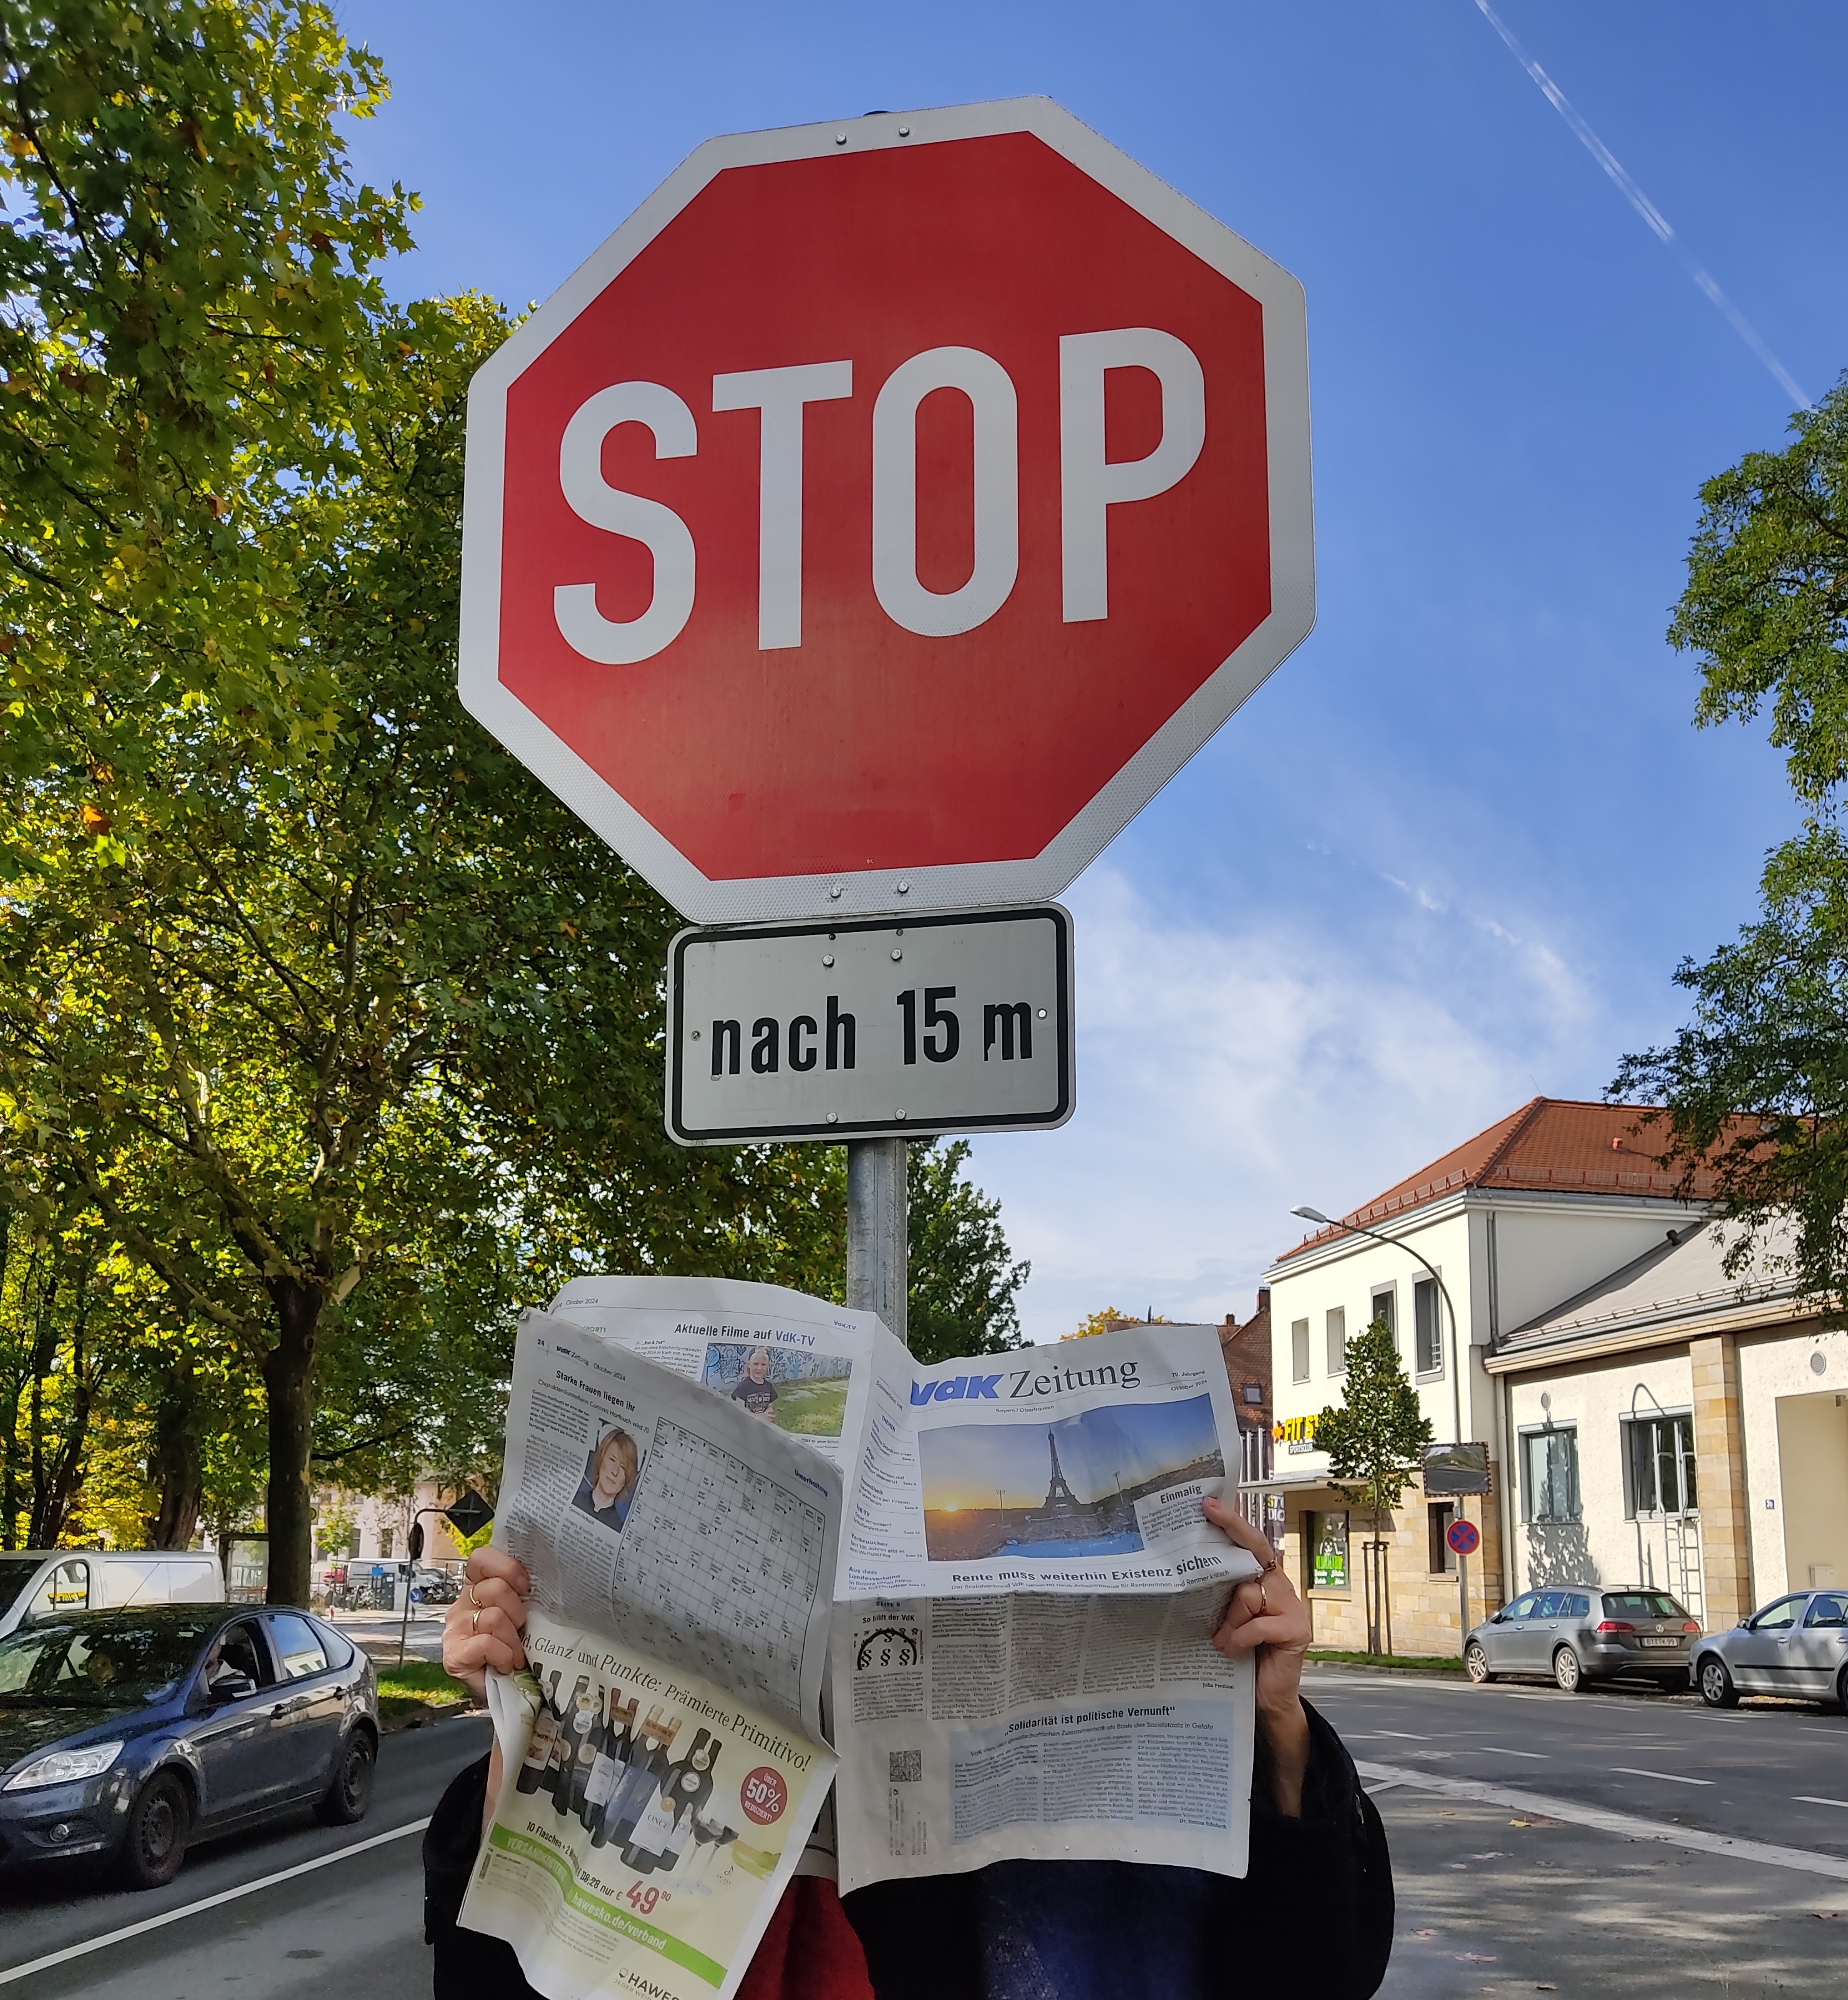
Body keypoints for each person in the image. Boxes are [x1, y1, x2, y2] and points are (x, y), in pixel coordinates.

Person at [428, 1495, 1393, 1999]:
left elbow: (1317, 1979)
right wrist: (523, 1717)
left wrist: (1274, 1723)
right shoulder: (631, 1781)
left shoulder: (1174, 1788)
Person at [571, 1426, 639, 1531]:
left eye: (623, 1467)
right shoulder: (576, 1498)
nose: (615, 1472)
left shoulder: (618, 1527)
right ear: (601, 1459)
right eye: (612, 1460)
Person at [730, 1346, 778, 1422]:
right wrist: (760, 1417)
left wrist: (768, 1415)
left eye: (763, 1365)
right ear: (749, 1365)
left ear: (768, 1366)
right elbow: (739, 1415)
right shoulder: (743, 1388)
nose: (759, 1368)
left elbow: (770, 1408)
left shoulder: (769, 1387)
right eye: (756, 1364)